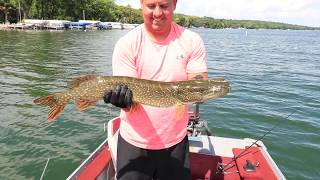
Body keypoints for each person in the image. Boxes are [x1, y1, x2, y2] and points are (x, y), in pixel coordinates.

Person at [104, 0, 208, 179]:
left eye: (164, 6)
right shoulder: (127, 44)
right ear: (141, 5)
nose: (158, 13)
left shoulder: (191, 41)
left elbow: (199, 84)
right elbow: (129, 102)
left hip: (176, 142)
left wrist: (201, 88)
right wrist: (122, 101)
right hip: (134, 143)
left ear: (174, 4)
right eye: (151, 6)